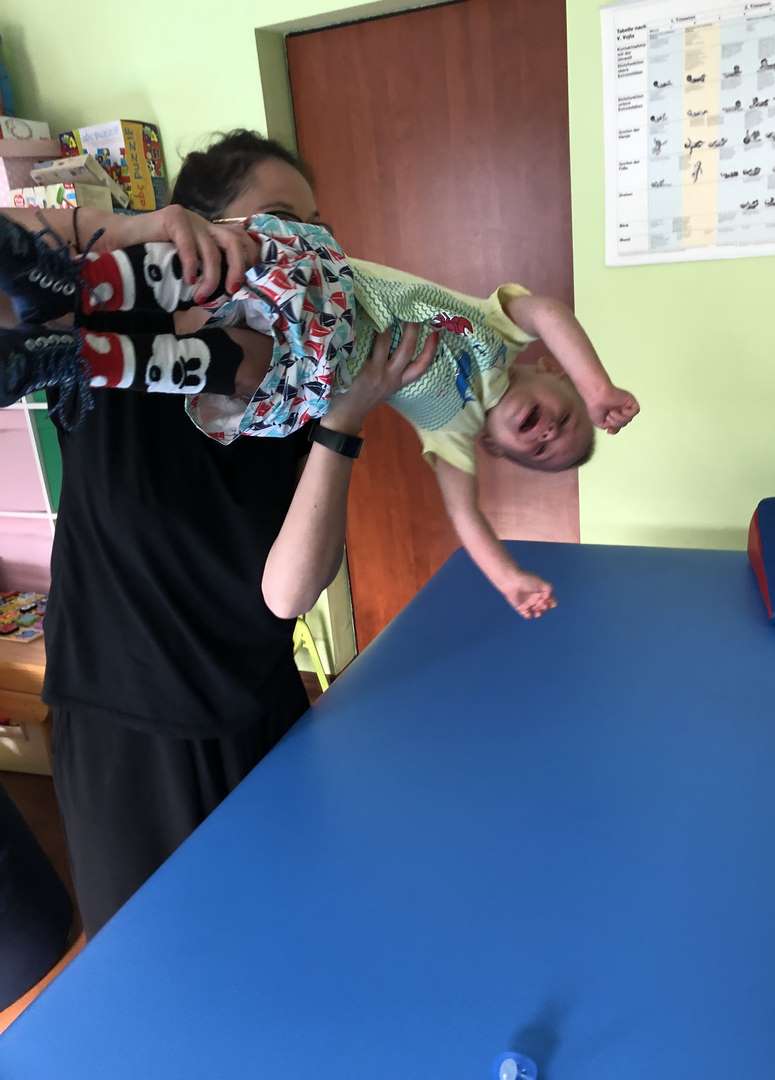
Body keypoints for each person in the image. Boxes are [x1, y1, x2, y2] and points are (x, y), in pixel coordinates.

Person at [0, 131, 437, 937]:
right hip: (124, 725)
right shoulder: (117, 311)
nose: (304, 246)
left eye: (318, 227)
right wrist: (137, 227)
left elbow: (288, 595)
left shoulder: (306, 378)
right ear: (204, 230)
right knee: (153, 954)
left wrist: (341, 425)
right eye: (280, 220)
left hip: (261, 713)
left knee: (285, 934)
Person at [0, 164, 638, 619]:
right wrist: (599, 387)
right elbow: (550, 312)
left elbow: (467, 518)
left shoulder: (454, 435)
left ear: (498, 450)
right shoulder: (501, 330)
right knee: (245, 257)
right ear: (552, 373)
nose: (548, 433)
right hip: (311, 288)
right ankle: (73, 281)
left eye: (541, 451)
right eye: (566, 419)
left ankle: (80, 359)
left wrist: (509, 579)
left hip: (310, 357)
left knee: (264, 382)